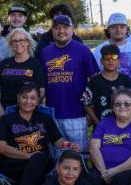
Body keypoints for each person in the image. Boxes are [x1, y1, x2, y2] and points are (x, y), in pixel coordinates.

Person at [0, 84, 80, 185]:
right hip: (13, 164)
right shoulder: (7, 120)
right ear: (18, 98)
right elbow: (1, 147)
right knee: (39, 169)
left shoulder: (44, 118)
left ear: (38, 100)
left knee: (39, 159)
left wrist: (68, 145)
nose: (28, 101)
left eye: (33, 98)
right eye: (25, 97)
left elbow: (58, 140)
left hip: (42, 162)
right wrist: (29, 156)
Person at [41, 15, 99, 151]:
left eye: (65, 27)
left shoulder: (83, 50)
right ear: (52, 31)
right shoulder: (45, 52)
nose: (61, 31)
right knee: (56, 157)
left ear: (72, 29)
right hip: (52, 114)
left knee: (78, 156)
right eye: (57, 28)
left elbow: (95, 81)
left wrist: (92, 111)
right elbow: (42, 83)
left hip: (77, 114)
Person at [0, 28, 46, 119]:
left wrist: (29, 109)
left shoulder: (35, 64)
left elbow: (41, 91)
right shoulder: (4, 63)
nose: (17, 43)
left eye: (21, 40)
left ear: (28, 42)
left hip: (27, 112)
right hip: (5, 111)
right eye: (14, 41)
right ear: (11, 44)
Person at [92, 13, 131, 96]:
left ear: (126, 29)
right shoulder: (98, 50)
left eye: (122, 27)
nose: (118, 30)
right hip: (104, 99)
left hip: (129, 102)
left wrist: (123, 95)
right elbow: (94, 75)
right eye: (114, 27)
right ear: (108, 29)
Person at [84, 44, 131, 125]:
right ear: (101, 61)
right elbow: (86, 103)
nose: (111, 61)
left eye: (114, 57)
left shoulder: (126, 80)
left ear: (119, 61)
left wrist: (128, 118)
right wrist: (97, 122)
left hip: (125, 126)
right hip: (102, 126)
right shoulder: (94, 81)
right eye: (106, 58)